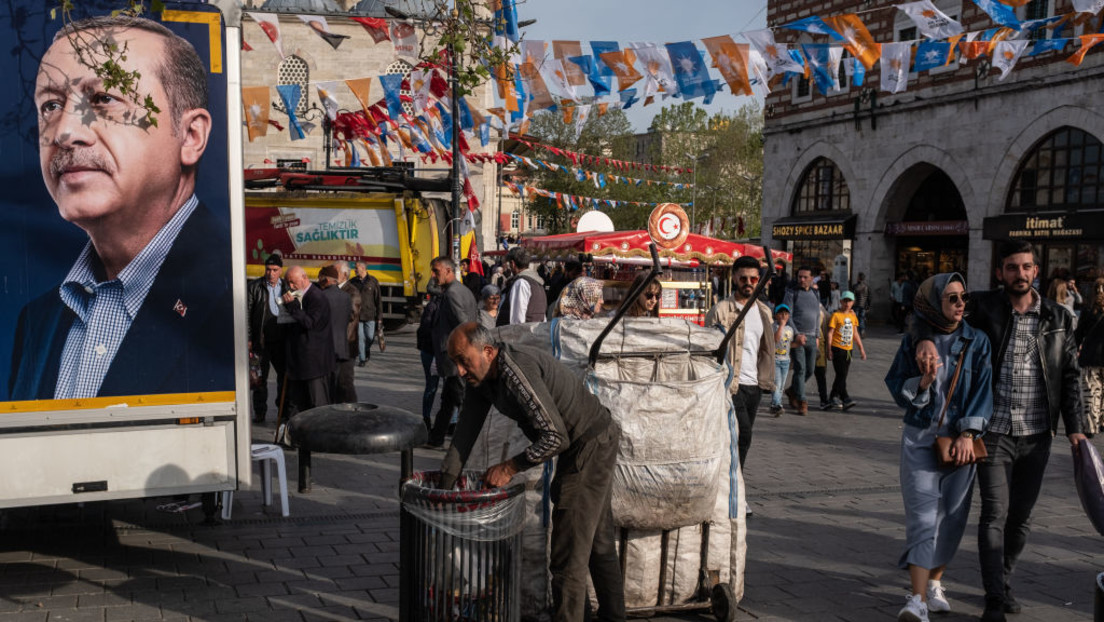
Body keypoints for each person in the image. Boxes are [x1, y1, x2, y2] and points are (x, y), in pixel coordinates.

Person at [10, 15, 233, 400]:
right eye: (51, 105)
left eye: (104, 99)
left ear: (191, 136)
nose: (65, 131)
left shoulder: (234, 293)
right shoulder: (36, 322)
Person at [911, 240, 1086, 622]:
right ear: (999, 272)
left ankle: (1003, 582)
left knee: (1020, 519)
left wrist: (1078, 429)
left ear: (1035, 271)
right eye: (1011, 267)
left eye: (1025, 267)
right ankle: (993, 598)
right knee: (993, 514)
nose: (1019, 274)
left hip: (1038, 435)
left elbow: (1071, 377)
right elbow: (931, 305)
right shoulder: (984, 307)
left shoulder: (1059, 318)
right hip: (992, 432)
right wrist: (923, 333)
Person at [438, 322, 625, 622]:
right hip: (587, 443)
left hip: (589, 445)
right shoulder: (481, 381)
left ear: (487, 351)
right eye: (455, 363)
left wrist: (509, 467)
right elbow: (465, 432)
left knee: (568, 556)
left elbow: (555, 437)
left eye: (464, 360)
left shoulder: (515, 372)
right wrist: (444, 484)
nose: (460, 370)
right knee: (599, 542)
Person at [886, 273, 993, 622]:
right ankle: (916, 599)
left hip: (961, 443)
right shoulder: (915, 342)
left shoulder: (977, 341)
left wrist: (968, 433)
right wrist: (923, 382)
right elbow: (896, 384)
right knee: (922, 516)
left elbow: (983, 390)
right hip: (920, 438)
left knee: (952, 517)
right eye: (951, 298)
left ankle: (934, 583)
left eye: (964, 297)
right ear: (933, 302)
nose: (961, 304)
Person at [705, 256, 775, 472]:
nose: (748, 282)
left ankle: (735, 485)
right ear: (734, 278)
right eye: (743, 278)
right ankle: (735, 488)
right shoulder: (720, 311)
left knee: (741, 439)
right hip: (730, 384)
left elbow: (765, 349)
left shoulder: (764, 311)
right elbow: (707, 348)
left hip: (754, 385)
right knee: (742, 433)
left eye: (753, 278)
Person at [426, 257, 478, 448]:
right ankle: (436, 438)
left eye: (436, 271)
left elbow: (464, 324)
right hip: (457, 357)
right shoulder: (461, 290)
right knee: (448, 399)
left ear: (449, 271)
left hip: (456, 357)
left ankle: (467, 442)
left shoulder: (453, 293)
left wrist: (461, 358)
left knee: (460, 398)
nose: (433, 275)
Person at [282, 266, 334, 413]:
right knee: (298, 404)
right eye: (288, 283)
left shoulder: (317, 297)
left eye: (293, 282)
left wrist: (292, 307)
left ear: (304, 278)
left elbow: (309, 323)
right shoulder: (299, 294)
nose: (290, 286)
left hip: (314, 364)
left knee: (317, 405)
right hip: (300, 362)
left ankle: (321, 434)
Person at [246, 254, 288, 423]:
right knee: (259, 379)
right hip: (260, 342)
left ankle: (282, 411)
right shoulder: (254, 287)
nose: (271, 273)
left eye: (275, 270)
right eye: (268, 269)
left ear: (281, 270)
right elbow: (246, 313)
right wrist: (249, 338)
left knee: (284, 377)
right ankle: (260, 412)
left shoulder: (286, 287)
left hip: (281, 341)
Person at [782, 267, 821, 415]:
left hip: (812, 337)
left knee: (810, 370)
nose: (801, 280)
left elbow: (817, 315)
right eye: (799, 277)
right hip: (797, 337)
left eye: (805, 277)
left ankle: (792, 390)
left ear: (811, 278)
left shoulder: (815, 293)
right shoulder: (792, 293)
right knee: (800, 369)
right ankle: (802, 401)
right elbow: (787, 315)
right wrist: (797, 334)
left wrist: (817, 335)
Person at [318, 265, 357, 404]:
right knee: (339, 384)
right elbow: (349, 317)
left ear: (325, 280)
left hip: (327, 348)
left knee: (330, 386)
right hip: (341, 346)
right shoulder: (345, 297)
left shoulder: (321, 296)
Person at [825, 291, 866, 410]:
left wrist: (861, 349)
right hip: (837, 348)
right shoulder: (836, 315)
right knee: (841, 374)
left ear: (853, 302)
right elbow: (830, 333)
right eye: (845, 301)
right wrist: (829, 350)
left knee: (842, 375)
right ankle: (845, 398)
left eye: (849, 301)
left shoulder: (853, 316)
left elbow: (855, 333)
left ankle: (833, 397)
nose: (847, 303)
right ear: (841, 301)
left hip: (848, 350)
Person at [1075, 277, 1104, 435]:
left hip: (1090, 358)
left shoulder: (1088, 311)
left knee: (1091, 393)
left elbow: (1078, 335)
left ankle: (1091, 427)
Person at [497, 247, 547, 325]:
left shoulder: (521, 283)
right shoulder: (537, 283)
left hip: (522, 335)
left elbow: (517, 320)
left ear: (513, 264)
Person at [416, 282, 442, 429]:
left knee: (431, 386)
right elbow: (426, 330)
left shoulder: (431, 306)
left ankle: (426, 416)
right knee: (444, 387)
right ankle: (451, 420)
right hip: (435, 351)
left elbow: (423, 330)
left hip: (429, 351)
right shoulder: (437, 306)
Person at [352, 262, 382, 367]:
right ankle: (362, 358)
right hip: (357, 315)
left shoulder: (373, 281)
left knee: (370, 337)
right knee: (360, 337)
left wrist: (379, 317)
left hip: (370, 315)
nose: (354, 269)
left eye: (356, 268)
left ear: (363, 268)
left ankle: (366, 350)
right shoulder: (352, 282)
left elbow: (378, 300)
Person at [769, 304, 795, 417]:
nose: (784, 315)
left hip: (785, 360)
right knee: (777, 384)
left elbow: (789, 344)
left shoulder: (790, 329)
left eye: (786, 313)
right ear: (776, 315)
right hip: (775, 360)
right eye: (781, 313)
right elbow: (776, 339)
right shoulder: (773, 327)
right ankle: (777, 404)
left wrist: (799, 343)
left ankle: (774, 404)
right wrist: (782, 325)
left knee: (781, 385)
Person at [852, 272, 871, 336]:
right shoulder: (866, 286)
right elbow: (869, 297)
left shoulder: (855, 286)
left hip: (856, 305)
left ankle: (855, 331)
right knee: (861, 318)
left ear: (858, 278)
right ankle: (862, 330)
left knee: (855, 318)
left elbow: (852, 296)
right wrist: (868, 306)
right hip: (863, 305)